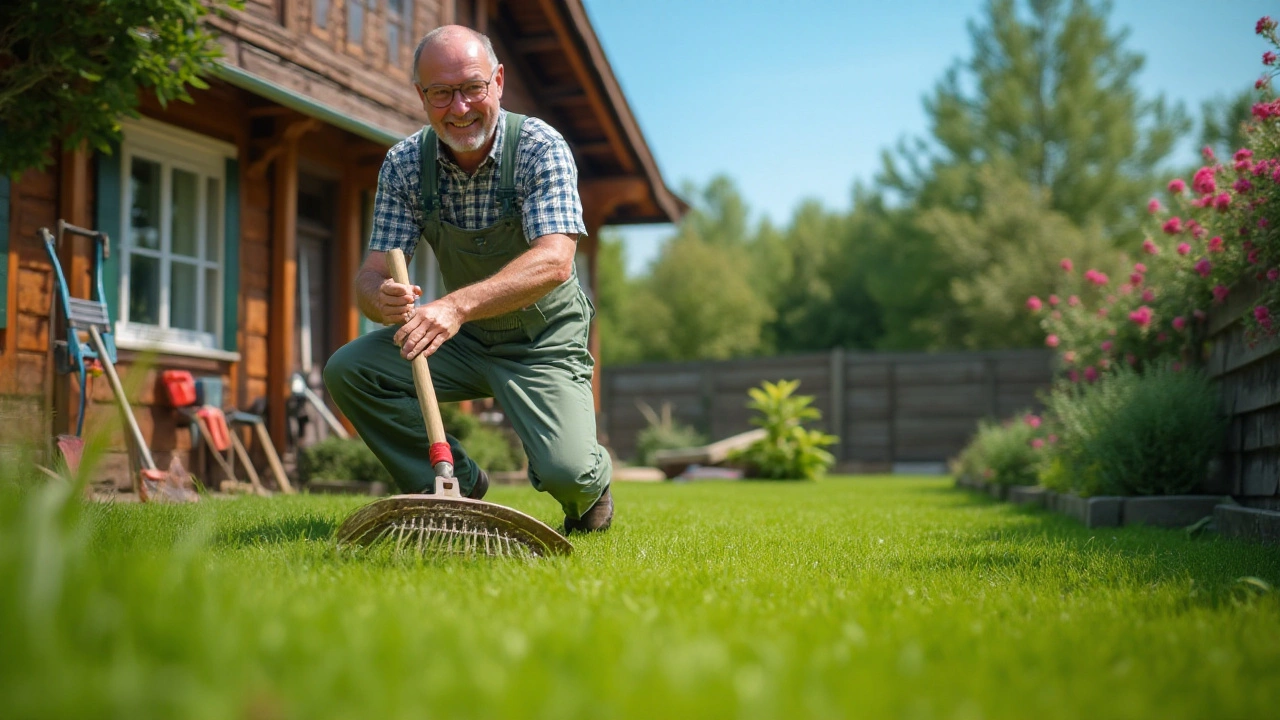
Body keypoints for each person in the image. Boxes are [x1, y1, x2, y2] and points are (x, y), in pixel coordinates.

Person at [323, 25, 613, 533]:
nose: (459, 108)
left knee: (568, 472)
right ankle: (457, 484)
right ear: (422, 96)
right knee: (351, 370)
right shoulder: (405, 165)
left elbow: (555, 262)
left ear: (498, 81)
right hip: (463, 341)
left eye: (472, 87)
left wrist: (454, 306)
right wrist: (381, 299)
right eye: (441, 93)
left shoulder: (539, 148)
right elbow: (369, 277)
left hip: (541, 340)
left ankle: (591, 490)